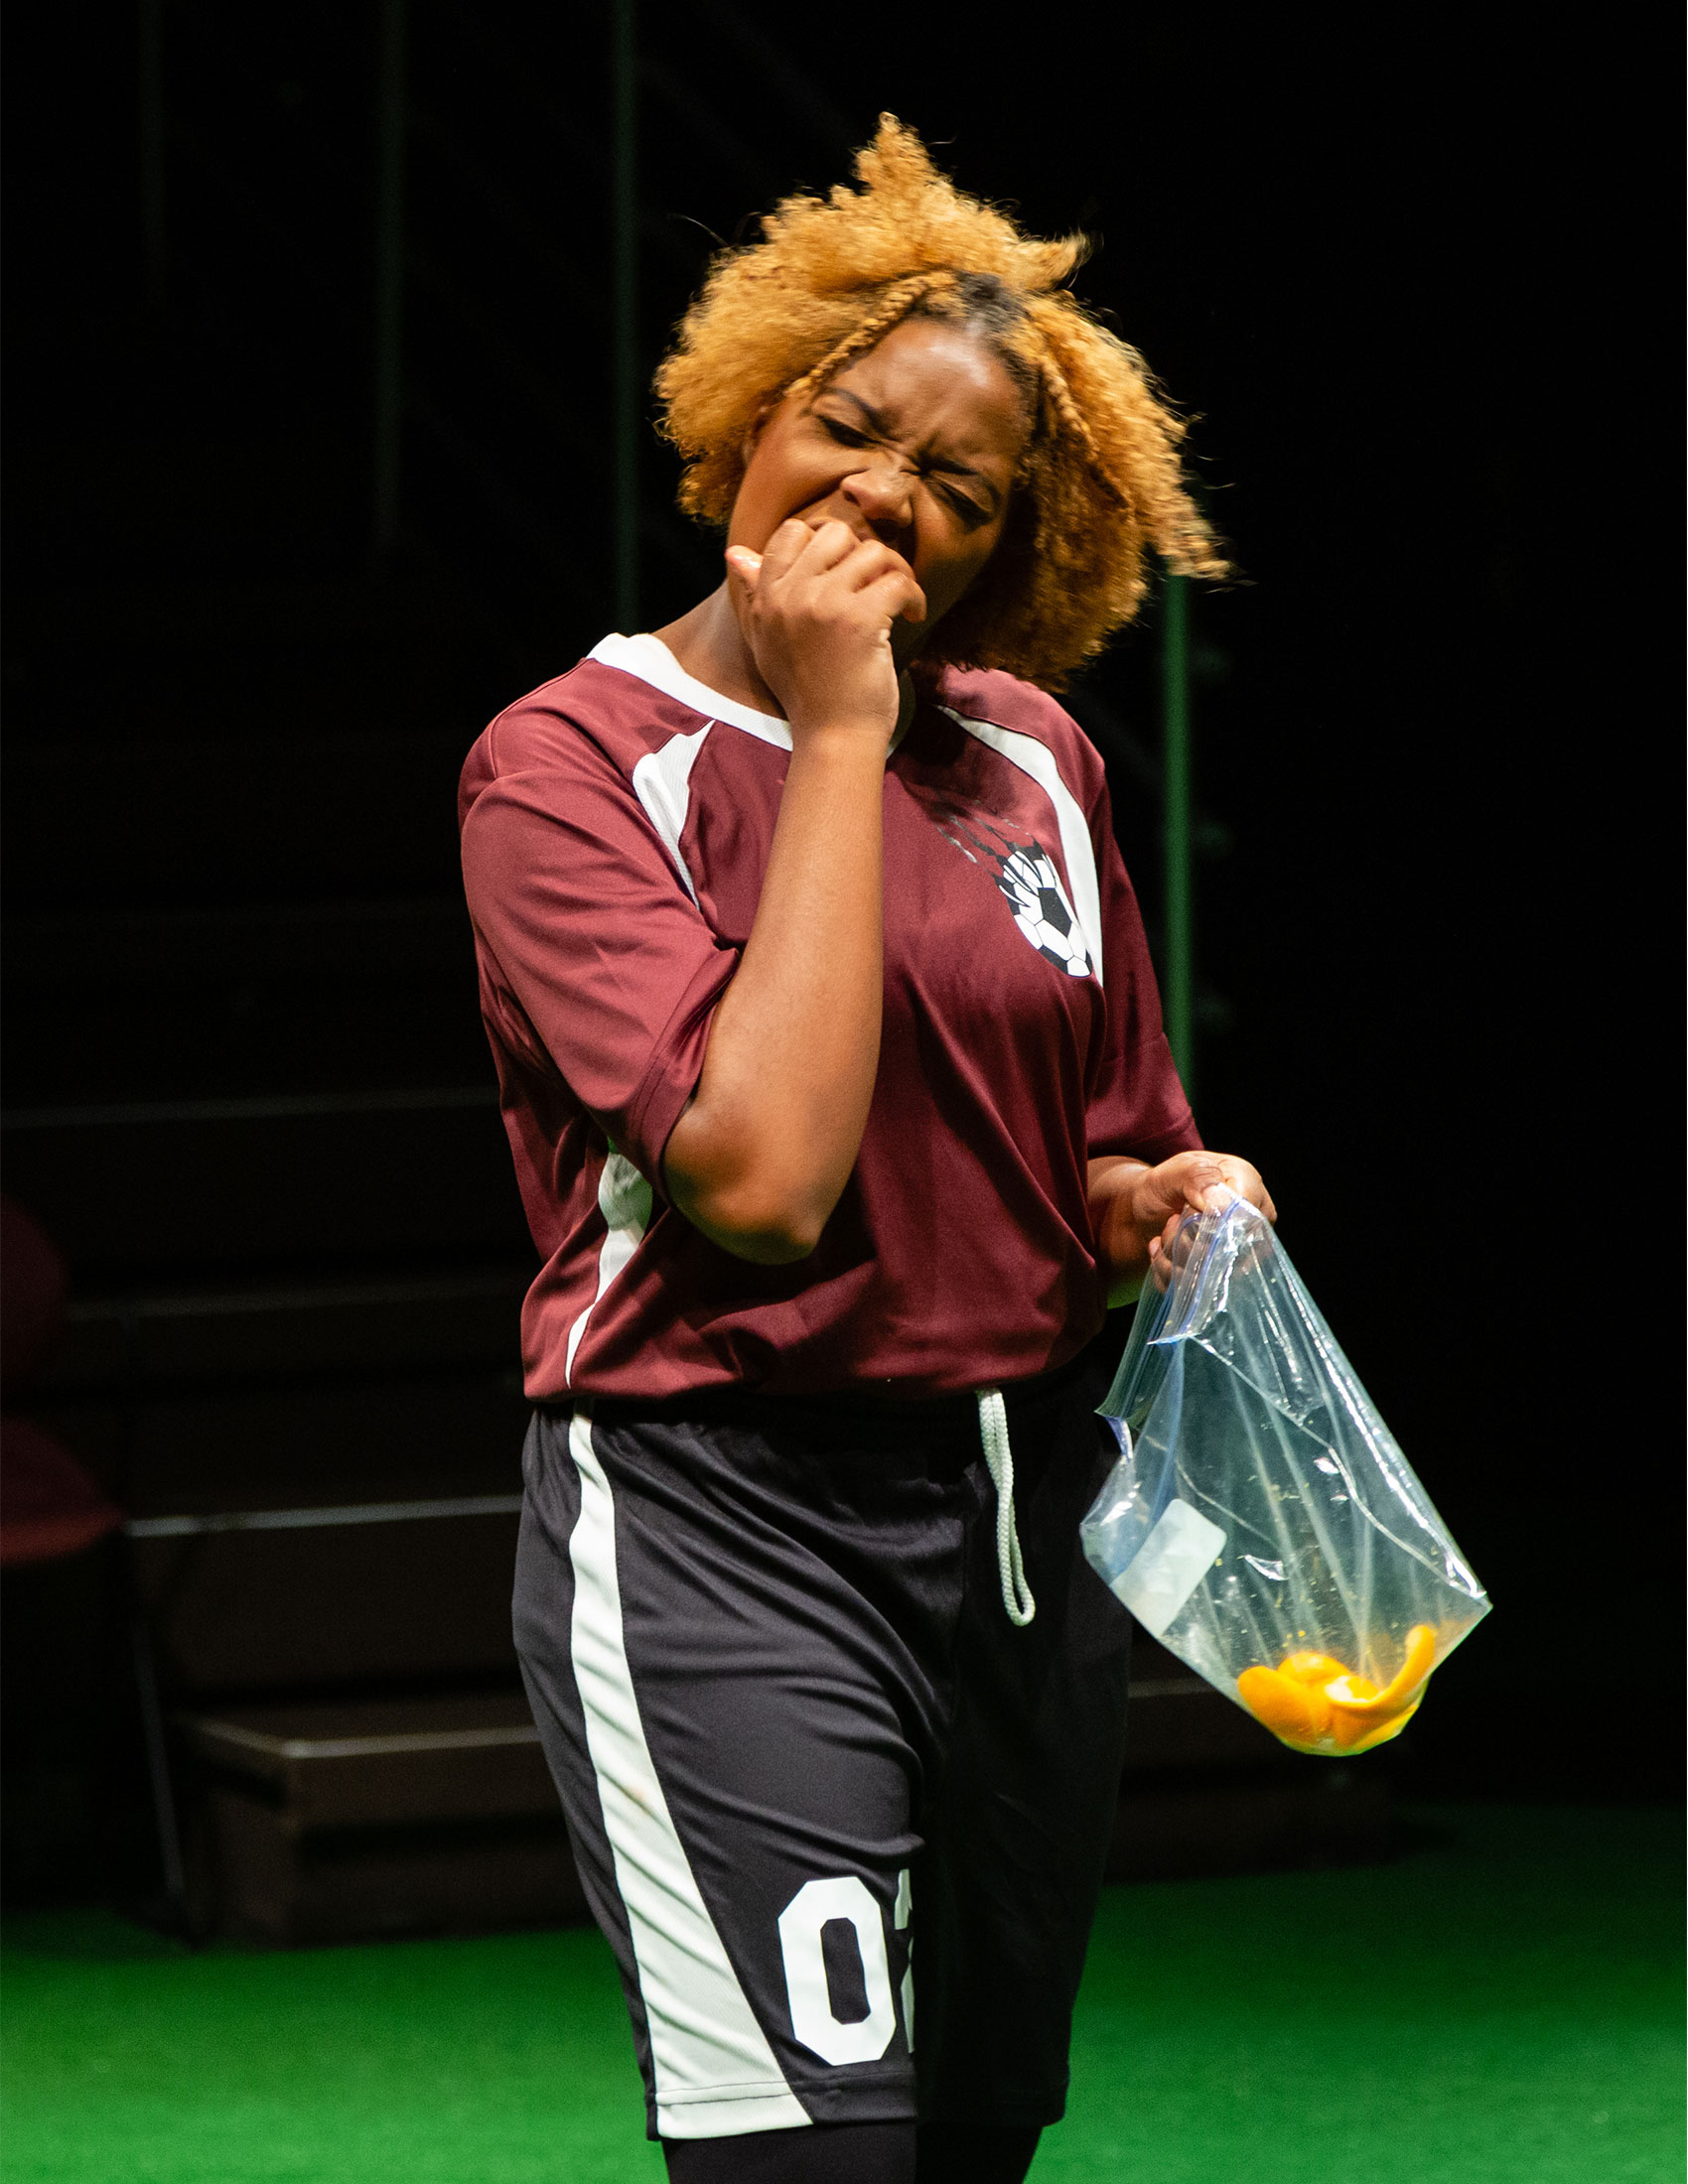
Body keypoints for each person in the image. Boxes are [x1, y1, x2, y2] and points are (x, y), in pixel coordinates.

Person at [459, 117, 1274, 2184]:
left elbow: (1081, 1153)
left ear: (1004, 549)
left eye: (956, 484)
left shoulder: (1036, 759)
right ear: (748, 413)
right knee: (816, 2159)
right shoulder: (572, 763)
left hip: (1014, 1525)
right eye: (844, 425)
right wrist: (835, 729)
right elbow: (758, 1184)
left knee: (969, 2144)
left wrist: (1162, 1204)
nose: (882, 489)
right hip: (724, 1515)